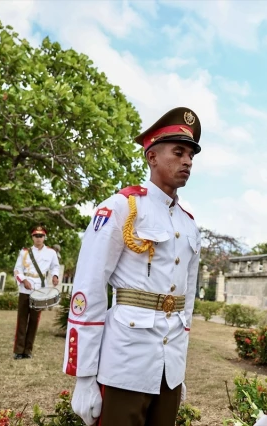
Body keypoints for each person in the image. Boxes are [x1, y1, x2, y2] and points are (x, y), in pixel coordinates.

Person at [65, 107, 202, 426]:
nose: (187, 162)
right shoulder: (121, 207)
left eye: (191, 156)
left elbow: (187, 300)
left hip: (169, 368)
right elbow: (89, 286)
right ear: (151, 157)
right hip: (126, 360)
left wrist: (177, 369)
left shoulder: (189, 222)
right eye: (178, 152)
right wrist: (84, 376)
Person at [12, 225, 60, 359]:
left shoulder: (51, 253)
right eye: (36, 236)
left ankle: (28, 350)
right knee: (22, 320)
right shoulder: (24, 252)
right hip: (25, 287)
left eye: (41, 236)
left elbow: (55, 267)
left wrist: (55, 276)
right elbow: (17, 269)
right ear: (32, 237)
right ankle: (18, 350)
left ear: (44, 237)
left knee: (34, 320)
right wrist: (22, 280)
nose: (38, 238)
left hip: (40, 289)